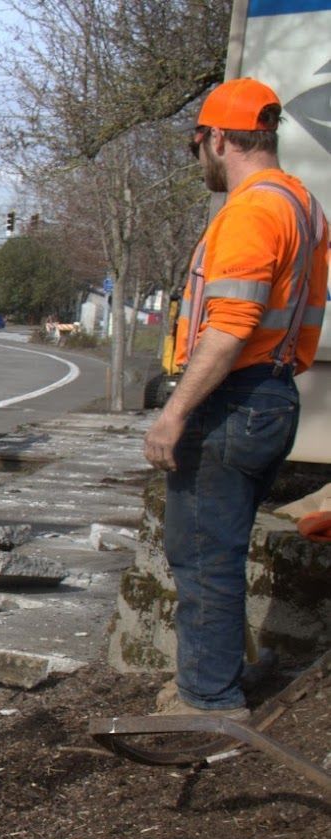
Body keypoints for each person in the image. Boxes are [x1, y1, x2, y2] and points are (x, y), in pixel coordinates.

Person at [143, 77, 329, 719]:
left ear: (218, 138)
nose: (200, 161)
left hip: (234, 400)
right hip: (274, 396)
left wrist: (175, 413)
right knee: (221, 545)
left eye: (198, 146)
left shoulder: (251, 211)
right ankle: (222, 672)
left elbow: (230, 326)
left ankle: (208, 698)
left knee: (200, 555)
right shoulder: (304, 206)